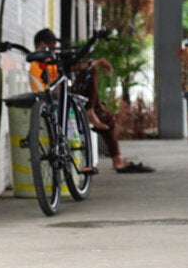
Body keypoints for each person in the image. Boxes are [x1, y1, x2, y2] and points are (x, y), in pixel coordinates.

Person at [30, 28, 153, 173]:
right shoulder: (38, 64)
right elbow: (47, 89)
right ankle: (91, 111)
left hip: (64, 98)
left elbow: (77, 66)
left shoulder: (51, 61)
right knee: (90, 72)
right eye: (49, 44)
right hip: (55, 101)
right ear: (40, 44)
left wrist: (98, 61)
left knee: (106, 118)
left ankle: (117, 158)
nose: (52, 48)